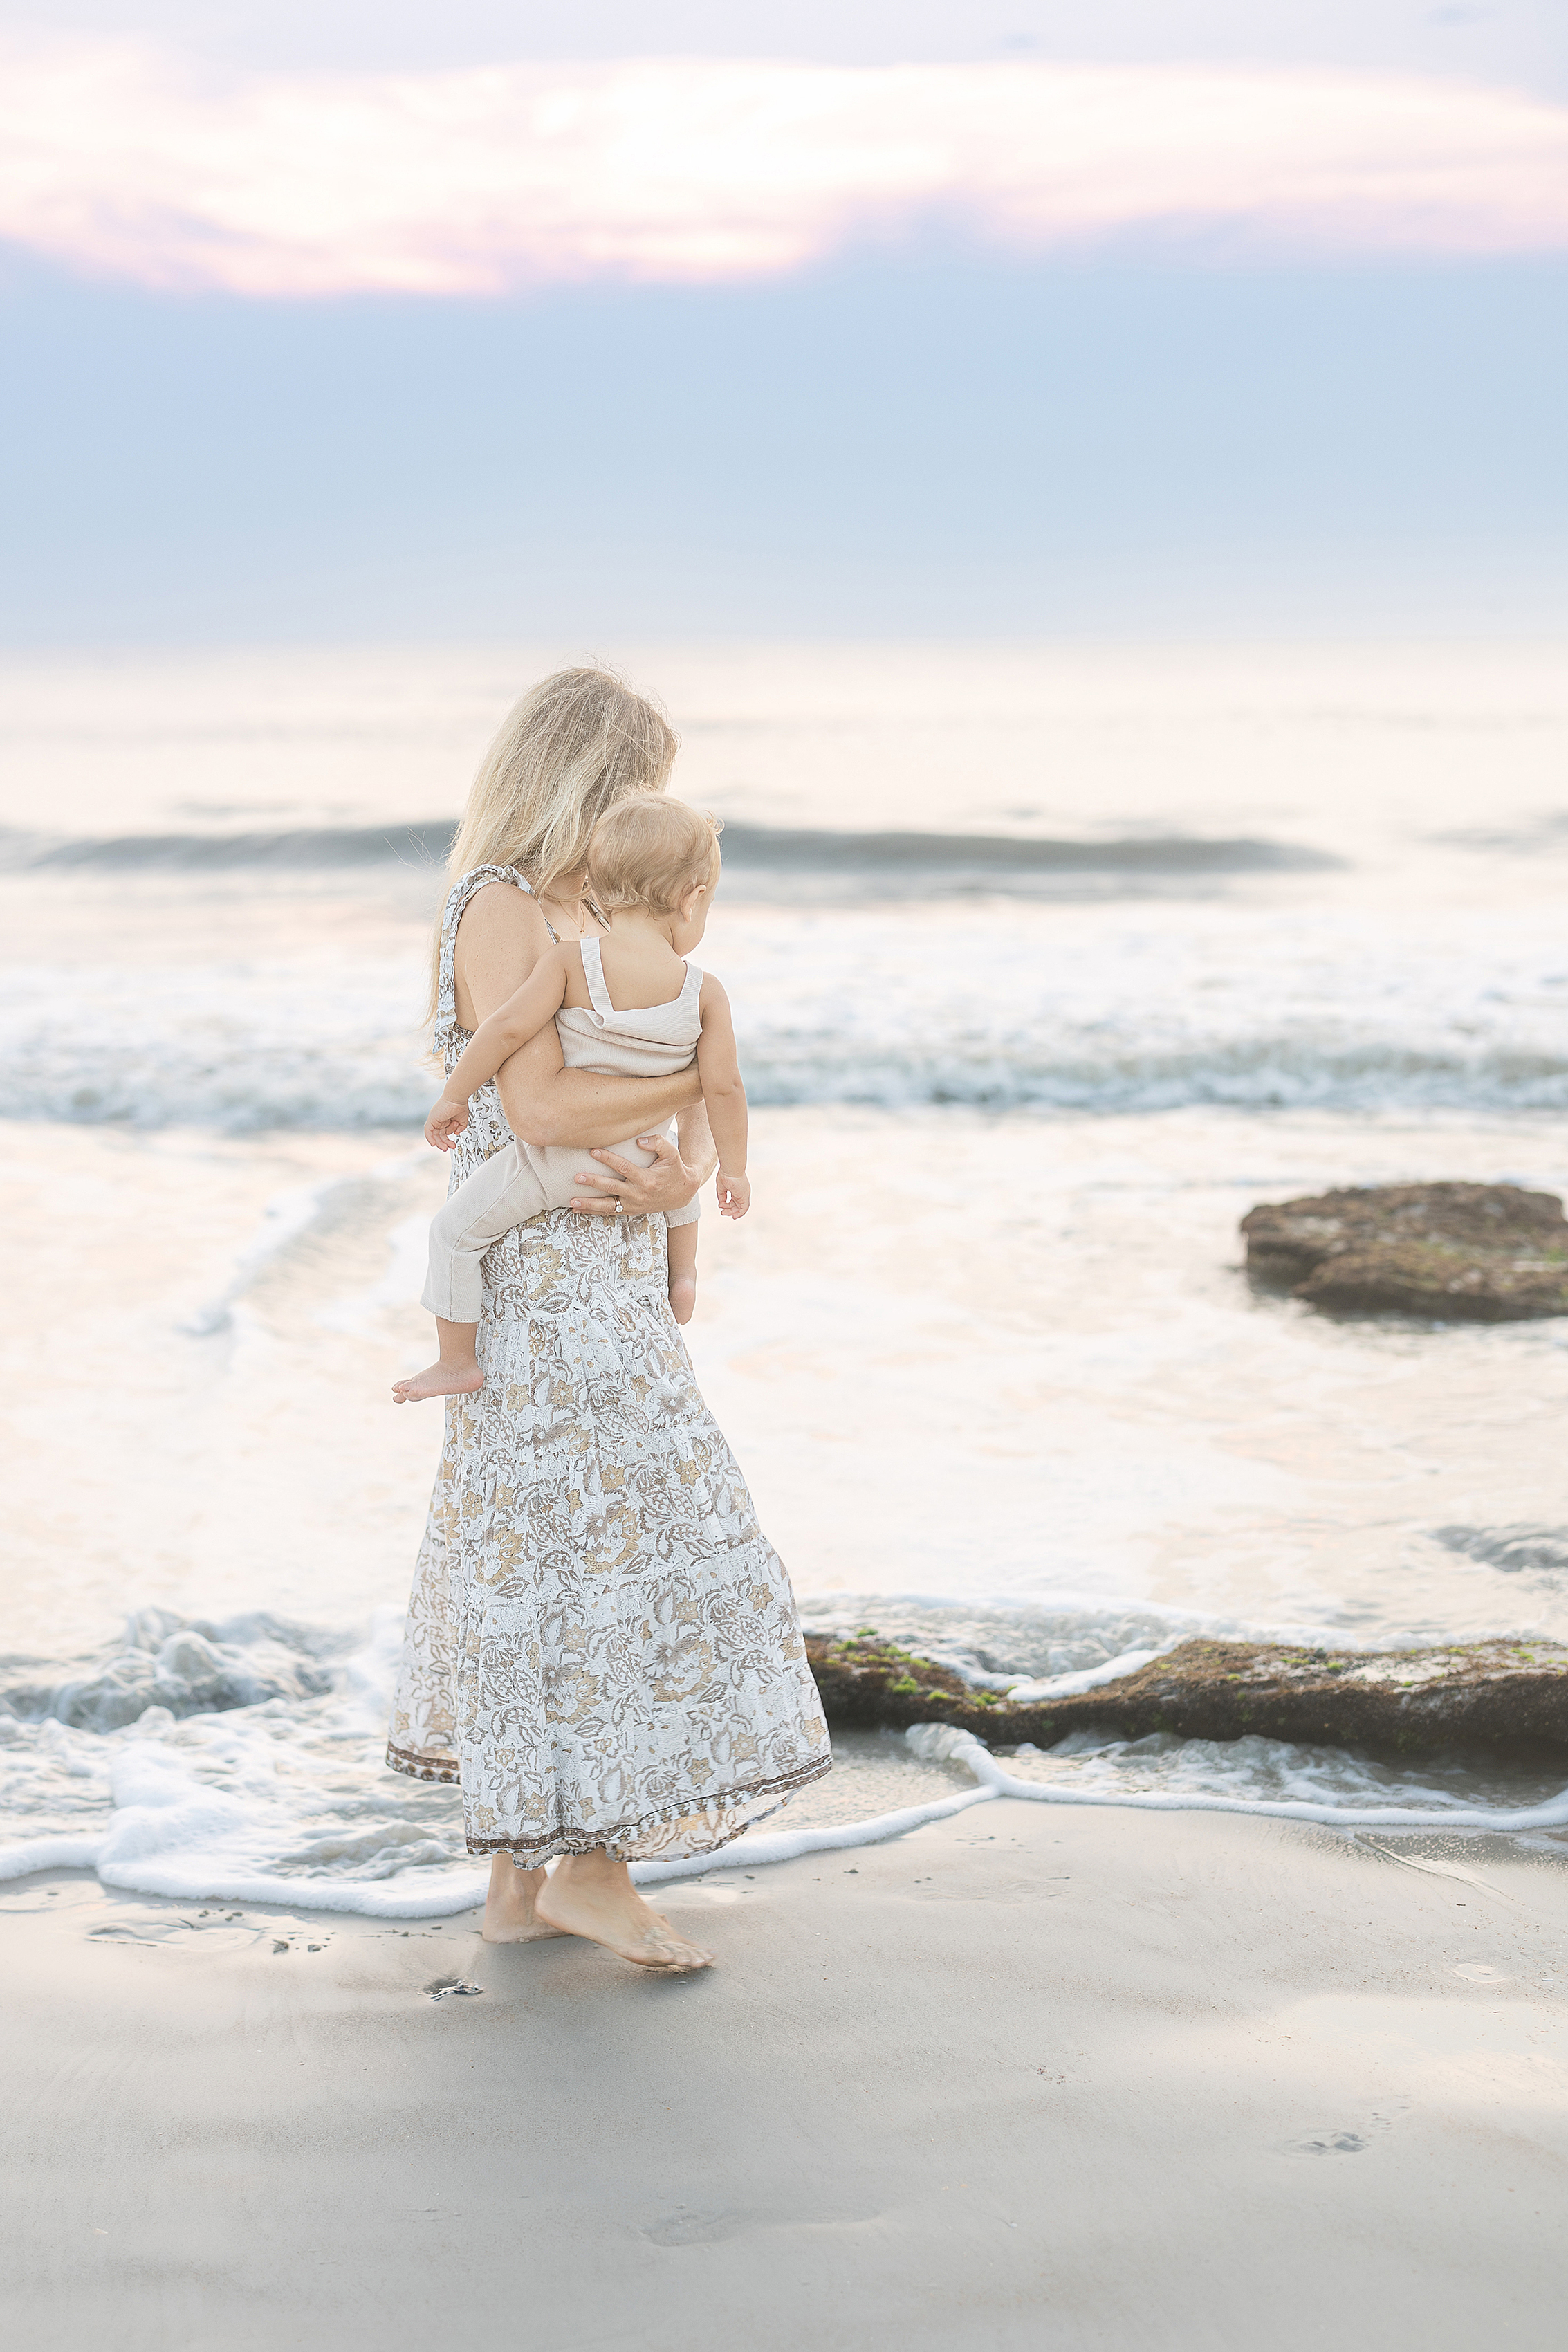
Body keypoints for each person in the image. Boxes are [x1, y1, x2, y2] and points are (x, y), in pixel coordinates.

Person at [385, 666, 829, 1973]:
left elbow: (624, 1120)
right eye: (638, 784)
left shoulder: (592, 924)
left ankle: (528, 1887)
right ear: (585, 780)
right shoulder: (504, 910)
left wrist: (685, 1165)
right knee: (644, 1551)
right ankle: (593, 1871)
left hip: (600, 1280)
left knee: (553, 1561)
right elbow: (535, 1116)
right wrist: (697, 1091)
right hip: (549, 1301)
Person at [391, 795, 746, 1404]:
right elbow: (721, 1088)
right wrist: (731, 1171)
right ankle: (682, 1278)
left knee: (453, 1234)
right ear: (692, 900)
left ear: (598, 893)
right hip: (643, 1155)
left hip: (563, 1166)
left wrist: (455, 1095)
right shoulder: (704, 992)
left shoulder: (567, 963)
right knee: (676, 1174)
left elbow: (503, 1033)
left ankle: (454, 1360)